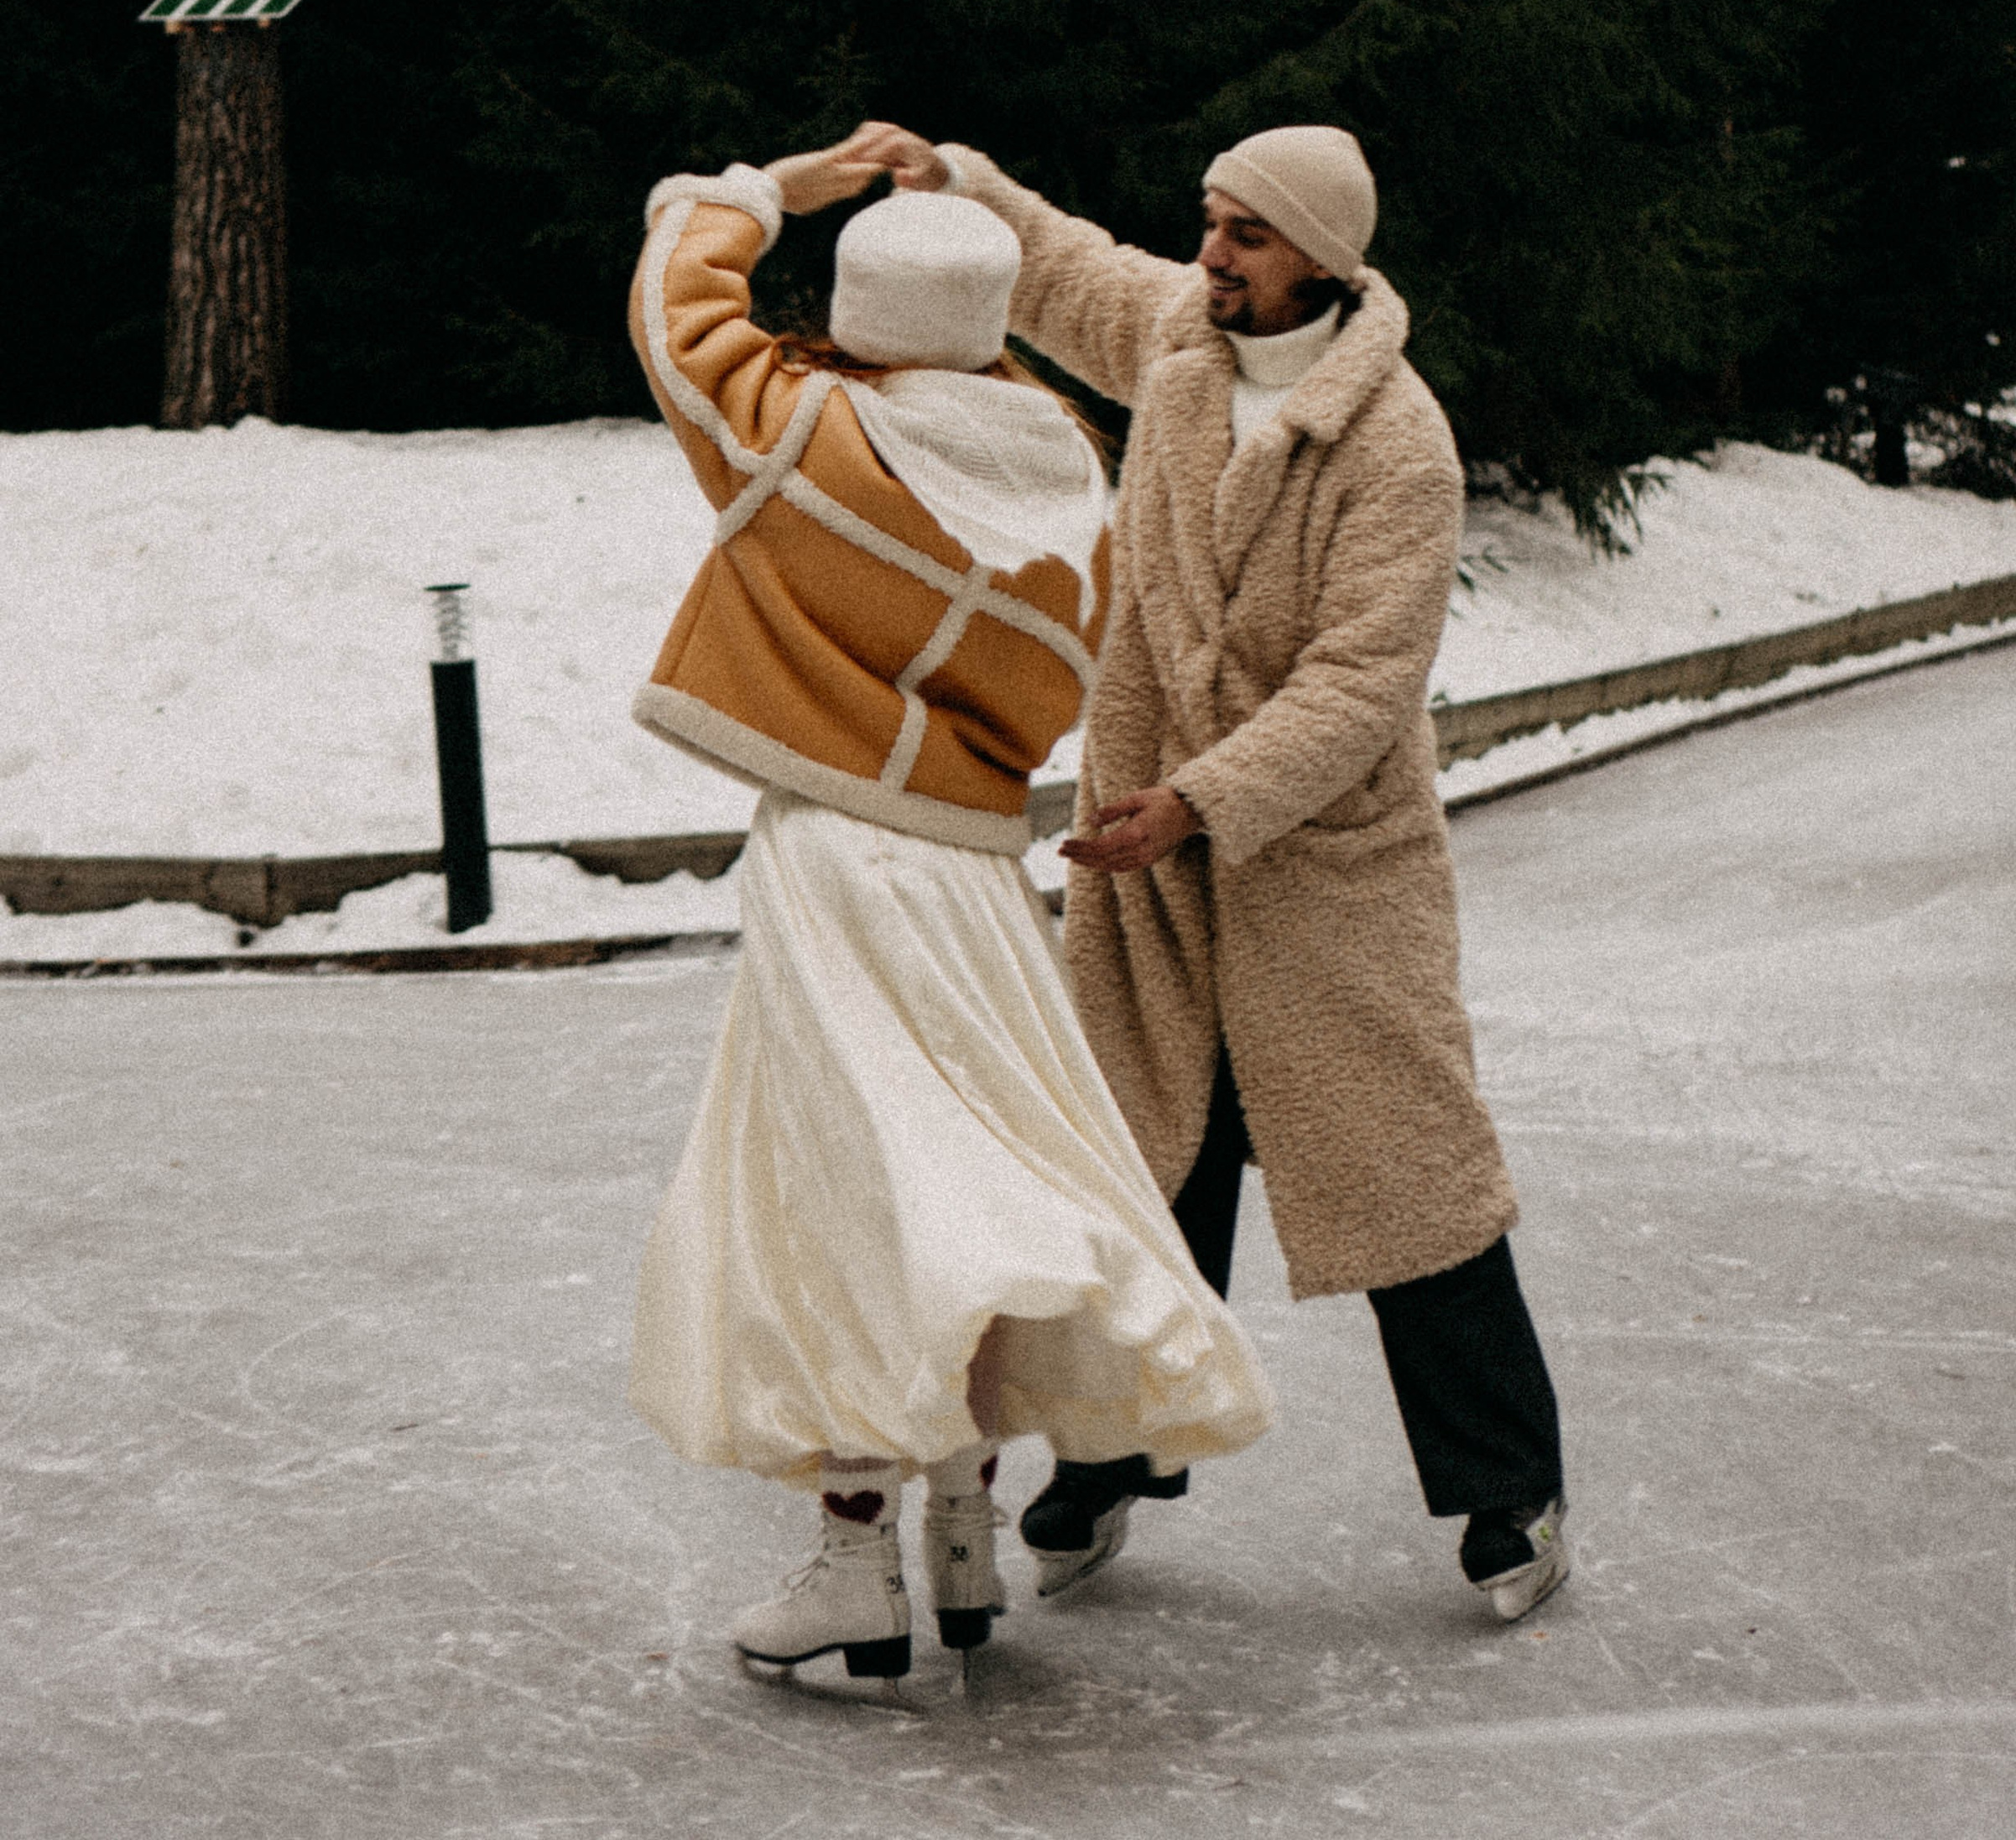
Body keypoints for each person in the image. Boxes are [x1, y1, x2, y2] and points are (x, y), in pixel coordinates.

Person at [848, 117, 1571, 1625]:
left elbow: (1359, 684)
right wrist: (962, 184)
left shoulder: (1397, 443)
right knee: (1139, 1174)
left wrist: (1196, 801)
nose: (1211, 255)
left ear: (1321, 254)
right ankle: (1112, 1465)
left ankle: (1513, 1489)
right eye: (1211, 221)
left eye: (1244, 233)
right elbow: (1070, 274)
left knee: (1408, 1189)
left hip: (1324, 878)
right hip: (1156, 871)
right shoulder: (1188, 339)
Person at [622, 140, 1271, 1687]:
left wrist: (793, 178)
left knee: (840, 1196)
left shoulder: (800, 432)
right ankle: (963, 1527)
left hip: (837, 858)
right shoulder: (1060, 465)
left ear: (857, 310)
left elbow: (673, 295)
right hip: (976, 870)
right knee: (963, 1172)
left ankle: (858, 1565)